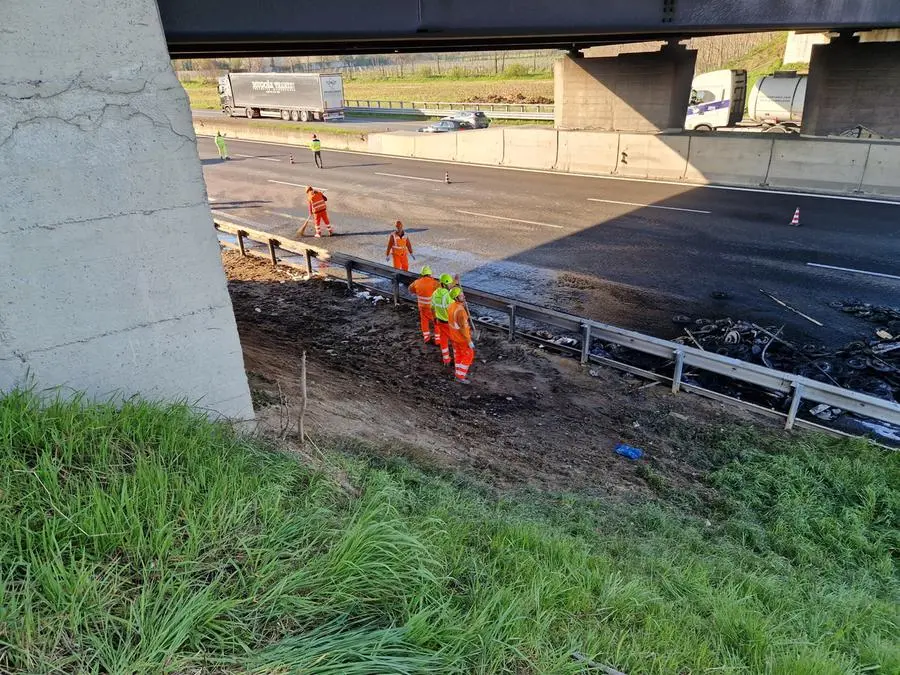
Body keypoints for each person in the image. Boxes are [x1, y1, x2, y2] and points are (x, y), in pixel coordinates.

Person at [448, 287, 475, 384]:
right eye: (461, 295)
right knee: (469, 355)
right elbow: (463, 328)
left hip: (454, 336)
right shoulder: (461, 311)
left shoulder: (451, 306)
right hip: (461, 338)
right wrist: (469, 341)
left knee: (458, 355)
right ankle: (460, 376)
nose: (463, 295)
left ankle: (458, 373)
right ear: (456, 298)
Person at [408, 266, 440, 343]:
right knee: (436, 322)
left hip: (422, 307)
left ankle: (426, 337)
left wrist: (418, 292)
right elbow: (444, 289)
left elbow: (410, 289)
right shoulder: (434, 283)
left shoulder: (416, 282)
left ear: (422, 274)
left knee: (424, 322)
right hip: (432, 308)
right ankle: (438, 339)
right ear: (430, 274)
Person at [430, 274, 454, 366]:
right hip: (449, 323)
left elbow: (432, 307)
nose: (451, 285)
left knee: (443, 340)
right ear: (445, 284)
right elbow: (454, 309)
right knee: (455, 341)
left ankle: (446, 359)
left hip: (439, 321)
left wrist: (434, 318)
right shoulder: (448, 296)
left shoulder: (435, 293)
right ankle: (457, 360)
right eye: (450, 284)